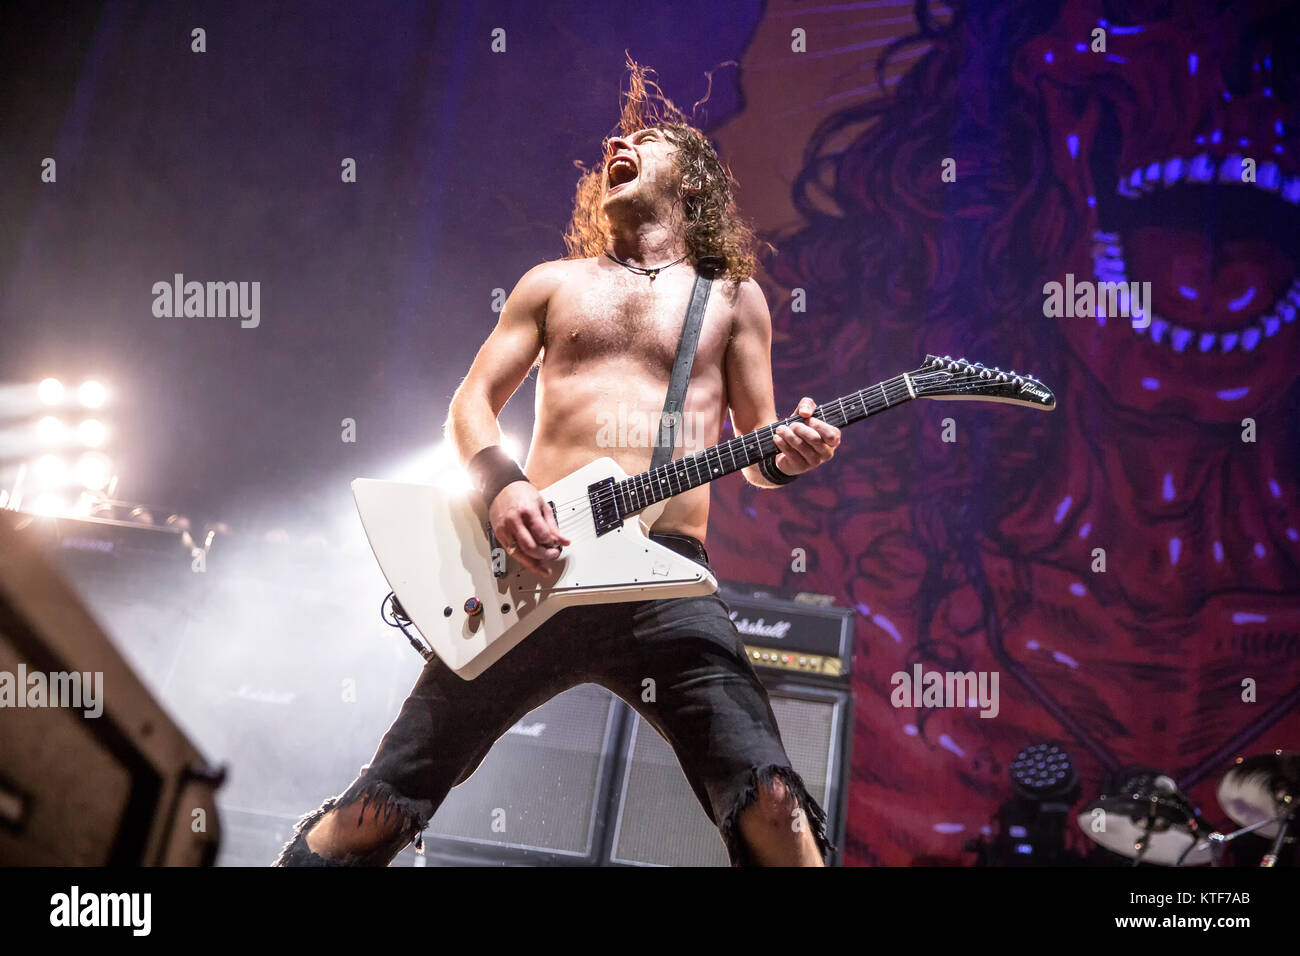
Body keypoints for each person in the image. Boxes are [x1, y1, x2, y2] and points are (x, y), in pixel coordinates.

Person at [275, 60, 842, 867]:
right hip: (537, 564)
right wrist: (503, 488)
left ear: (693, 180)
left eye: (646, 139)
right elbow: (470, 406)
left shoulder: (732, 297)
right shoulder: (553, 284)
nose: (618, 144)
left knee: (773, 803)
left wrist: (792, 456)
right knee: (375, 808)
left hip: (666, 578)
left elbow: (759, 448)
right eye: (616, 140)